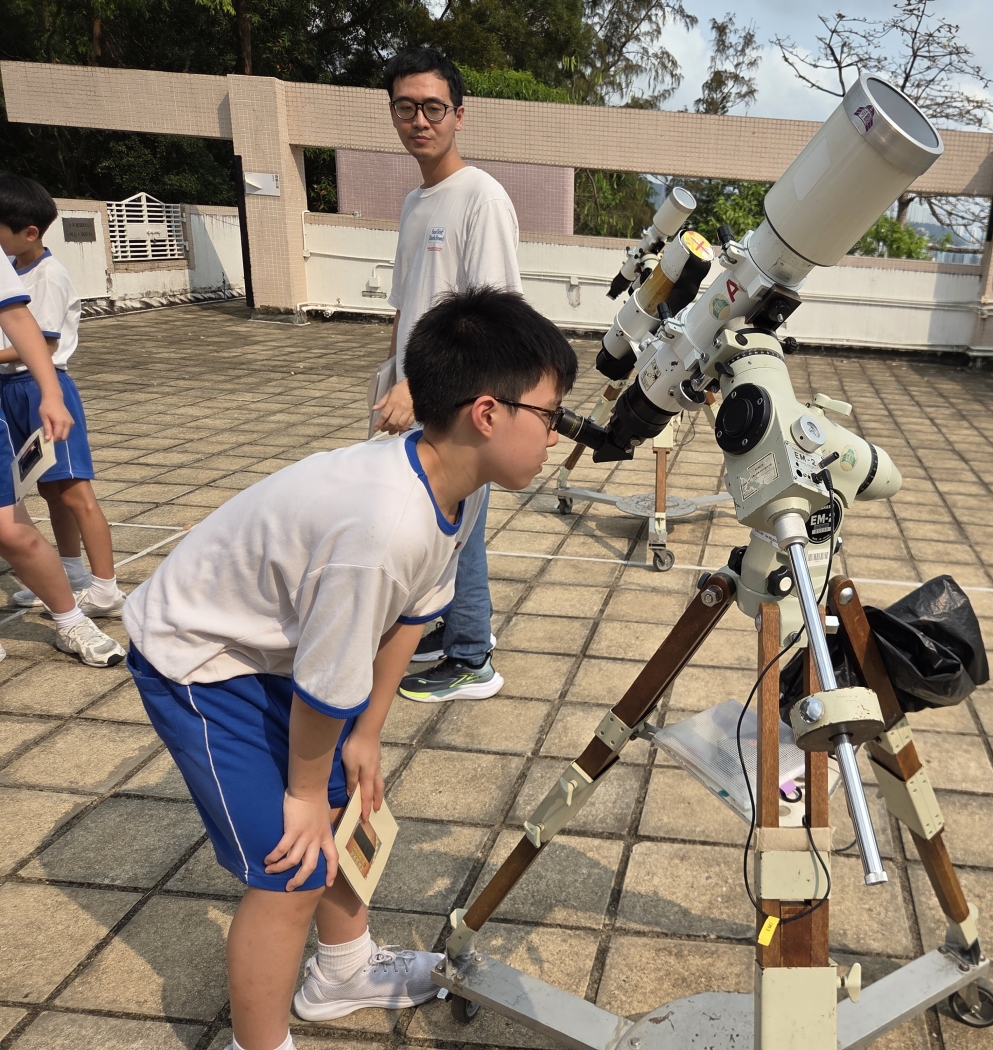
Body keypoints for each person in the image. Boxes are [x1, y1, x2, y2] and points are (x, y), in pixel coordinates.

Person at [122, 288, 577, 1050]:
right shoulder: (383, 524)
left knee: (341, 813)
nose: (557, 435)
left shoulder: (455, 487)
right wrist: (303, 793)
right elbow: (327, 680)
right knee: (290, 865)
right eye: (550, 415)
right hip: (198, 656)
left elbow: (410, 617)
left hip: (271, 648)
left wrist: (366, 733)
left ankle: (341, 972)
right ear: (487, 414)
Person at [372, 47, 523, 705]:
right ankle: (442, 629)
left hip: (460, 397)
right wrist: (391, 374)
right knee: (434, 525)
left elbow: (491, 315)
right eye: (406, 108)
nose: (420, 121)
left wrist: (424, 385)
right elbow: (407, 305)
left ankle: (471, 658)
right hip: (416, 394)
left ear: (459, 115)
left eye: (433, 108)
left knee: (459, 530)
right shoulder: (415, 201)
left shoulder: (480, 197)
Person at [0, 174, 125, 619]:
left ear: (29, 232)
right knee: (49, 488)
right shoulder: (11, 268)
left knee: (75, 489)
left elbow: (44, 343)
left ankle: (106, 588)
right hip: (10, 390)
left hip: (42, 386)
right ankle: (72, 573)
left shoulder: (49, 275)